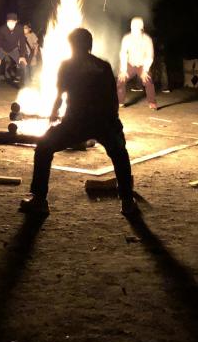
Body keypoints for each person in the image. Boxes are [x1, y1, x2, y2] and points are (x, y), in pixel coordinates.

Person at [20, 28, 137, 217]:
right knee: (120, 154)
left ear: (73, 45)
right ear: (89, 45)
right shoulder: (103, 66)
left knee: (43, 147)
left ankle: (39, 200)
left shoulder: (67, 65)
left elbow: (59, 96)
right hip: (103, 121)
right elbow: (113, 98)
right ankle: (127, 201)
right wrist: (114, 123)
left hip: (76, 121)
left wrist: (53, 116)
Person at [117, 16, 157, 110]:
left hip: (142, 65)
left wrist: (145, 70)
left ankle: (152, 102)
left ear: (141, 28)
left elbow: (150, 56)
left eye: (137, 29)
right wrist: (123, 70)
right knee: (120, 80)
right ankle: (120, 102)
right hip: (130, 64)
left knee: (148, 80)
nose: (135, 31)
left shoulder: (147, 39)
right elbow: (123, 53)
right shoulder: (127, 38)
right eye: (133, 28)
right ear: (131, 28)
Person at [0, 13, 29, 95]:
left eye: (13, 21)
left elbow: (22, 42)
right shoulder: (1, 29)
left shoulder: (20, 29)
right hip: (2, 49)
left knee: (24, 65)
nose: (10, 23)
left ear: (16, 22)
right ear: (6, 22)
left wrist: (22, 56)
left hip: (14, 49)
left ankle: (25, 88)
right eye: (9, 21)